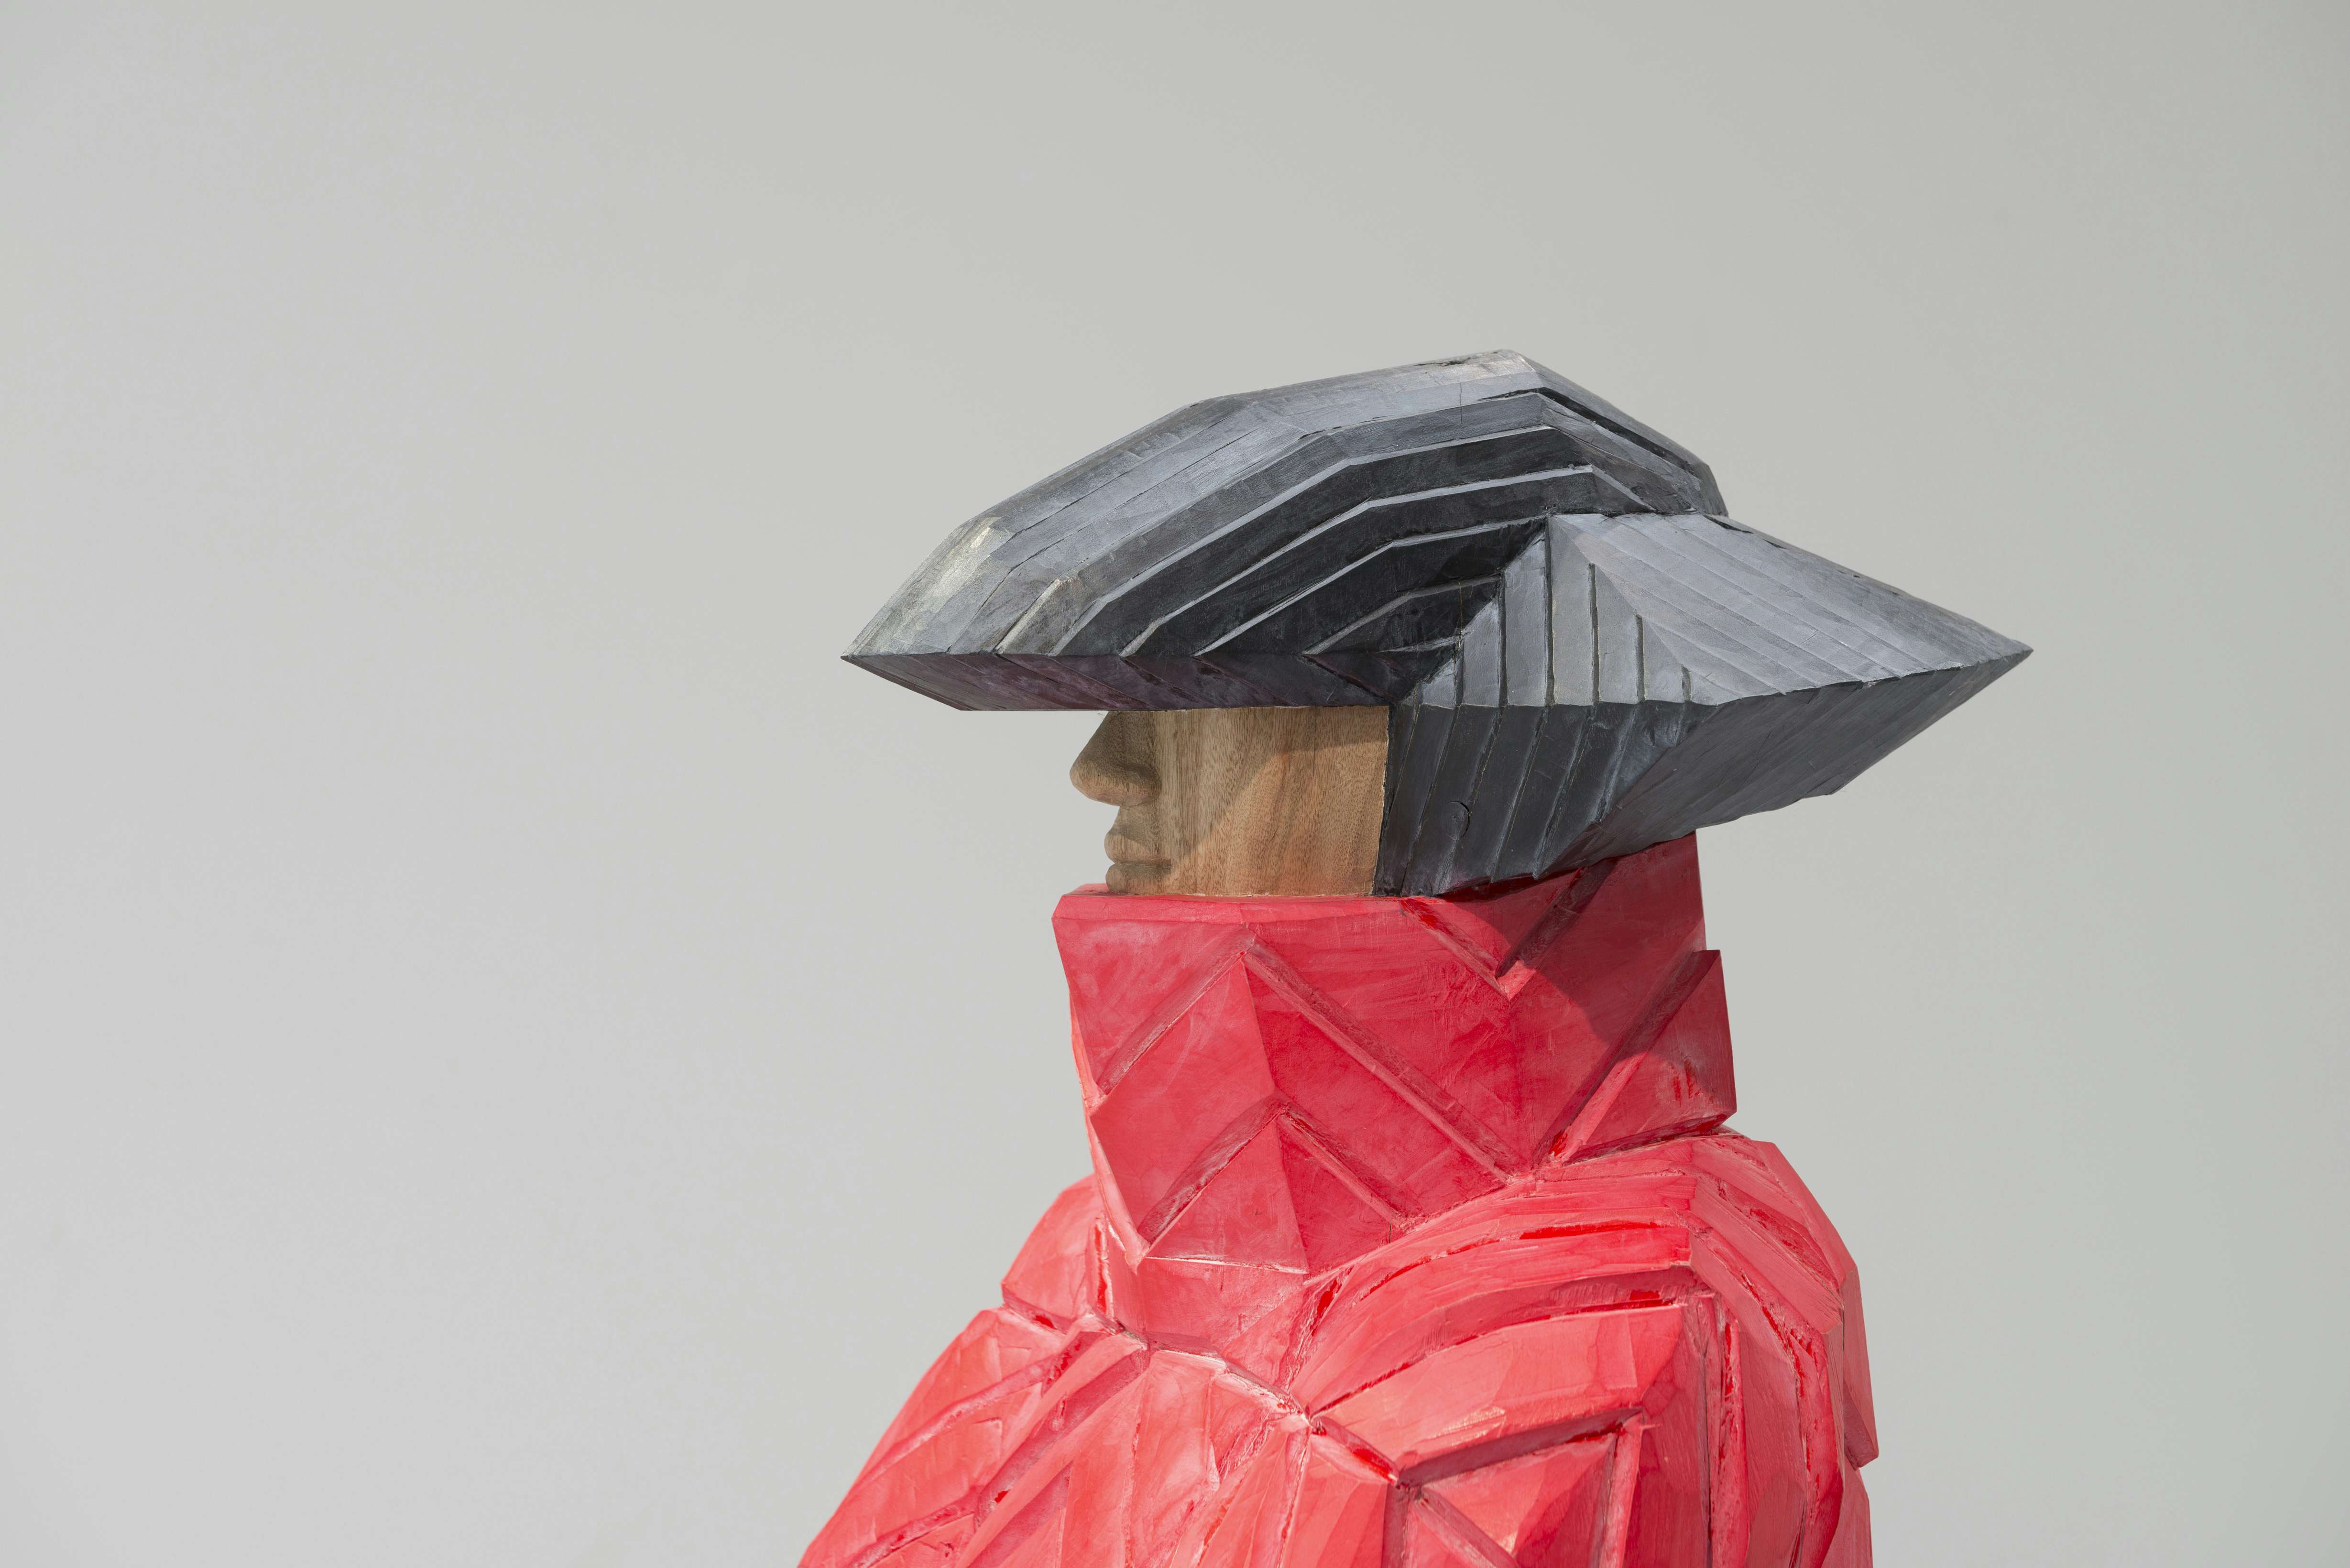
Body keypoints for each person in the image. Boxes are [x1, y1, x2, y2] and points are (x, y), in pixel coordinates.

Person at [806, 352, 2026, 1568]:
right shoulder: (1093, 1263)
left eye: (1199, 708)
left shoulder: (1637, 1314)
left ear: (1440, 758)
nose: (1104, 769)